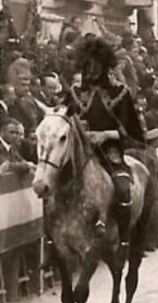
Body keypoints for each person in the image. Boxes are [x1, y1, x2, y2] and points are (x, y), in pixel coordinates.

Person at [42, 37, 145, 269]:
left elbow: (135, 133)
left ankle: (124, 241)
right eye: (87, 63)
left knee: (122, 186)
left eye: (96, 63)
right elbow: (63, 117)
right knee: (51, 189)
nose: (91, 68)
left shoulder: (120, 92)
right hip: (79, 151)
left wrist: (107, 135)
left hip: (108, 152)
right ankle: (51, 245)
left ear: (104, 64)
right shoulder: (77, 91)